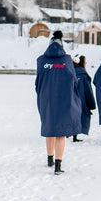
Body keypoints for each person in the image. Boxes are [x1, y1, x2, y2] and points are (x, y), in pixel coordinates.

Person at [35, 30, 81, 174]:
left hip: (46, 100)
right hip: (64, 99)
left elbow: (38, 82)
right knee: (61, 132)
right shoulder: (67, 60)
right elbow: (73, 80)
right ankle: (58, 166)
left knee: (50, 129)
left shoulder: (41, 60)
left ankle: (50, 159)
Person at [72, 54, 96, 142]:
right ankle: (75, 135)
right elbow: (88, 91)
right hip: (81, 100)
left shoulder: (69, 72)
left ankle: (73, 134)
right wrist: (91, 104)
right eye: (85, 61)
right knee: (81, 116)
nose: (86, 63)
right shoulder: (83, 75)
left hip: (69, 100)